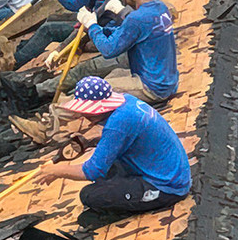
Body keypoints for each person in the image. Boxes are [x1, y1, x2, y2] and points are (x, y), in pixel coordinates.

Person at [32, 77, 191, 214]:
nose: (82, 116)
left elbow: (92, 171)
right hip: (166, 169)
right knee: (107, 174)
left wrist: (58, 171)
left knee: (90, 195)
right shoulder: (127, 101)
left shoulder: (119, 123)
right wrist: (93, 143)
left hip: (168, 186)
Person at [61, 0, 176, 103]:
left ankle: (57, 112)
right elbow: (129, 34)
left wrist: (92, 26)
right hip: (167, 82)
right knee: (114, 74)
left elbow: (109, 50)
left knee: (98, 90)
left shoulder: (136, 18)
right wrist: (104, 31)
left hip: (152, 88)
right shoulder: (160, 8)